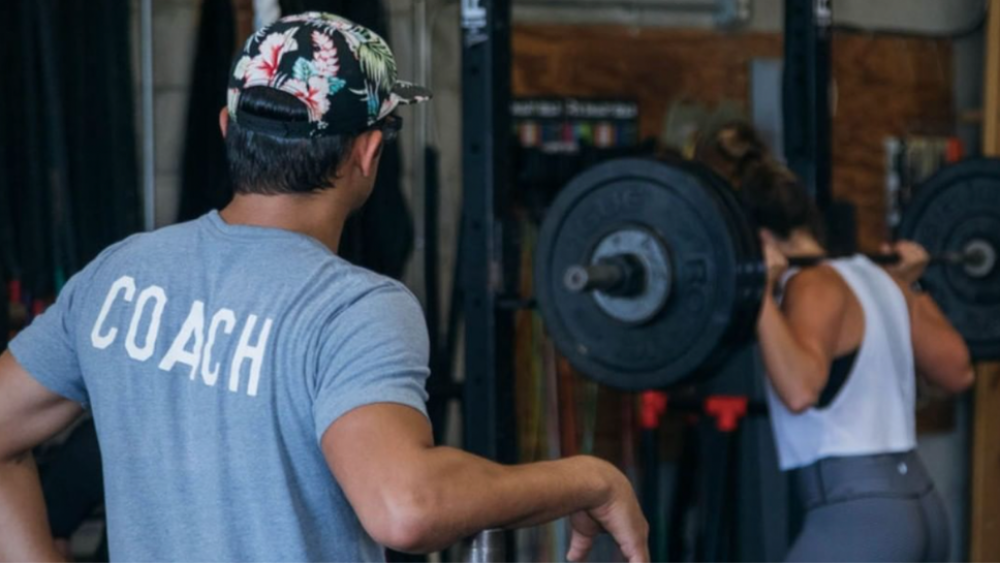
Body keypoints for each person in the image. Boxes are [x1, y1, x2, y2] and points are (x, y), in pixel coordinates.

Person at [0, 13, 648, 562]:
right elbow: (405, 507)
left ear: (229, 131)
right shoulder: (353, 307)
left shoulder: (119, 274)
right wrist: (589, 478)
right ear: (368, 153)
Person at [701, 122, 974, 562]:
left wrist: (761, 297)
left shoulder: (810, 286)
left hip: (859, 515)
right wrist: (912, 288)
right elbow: (958, 370)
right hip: (920, 505)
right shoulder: (879, 277)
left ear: (761, 239)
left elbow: (800, 390)